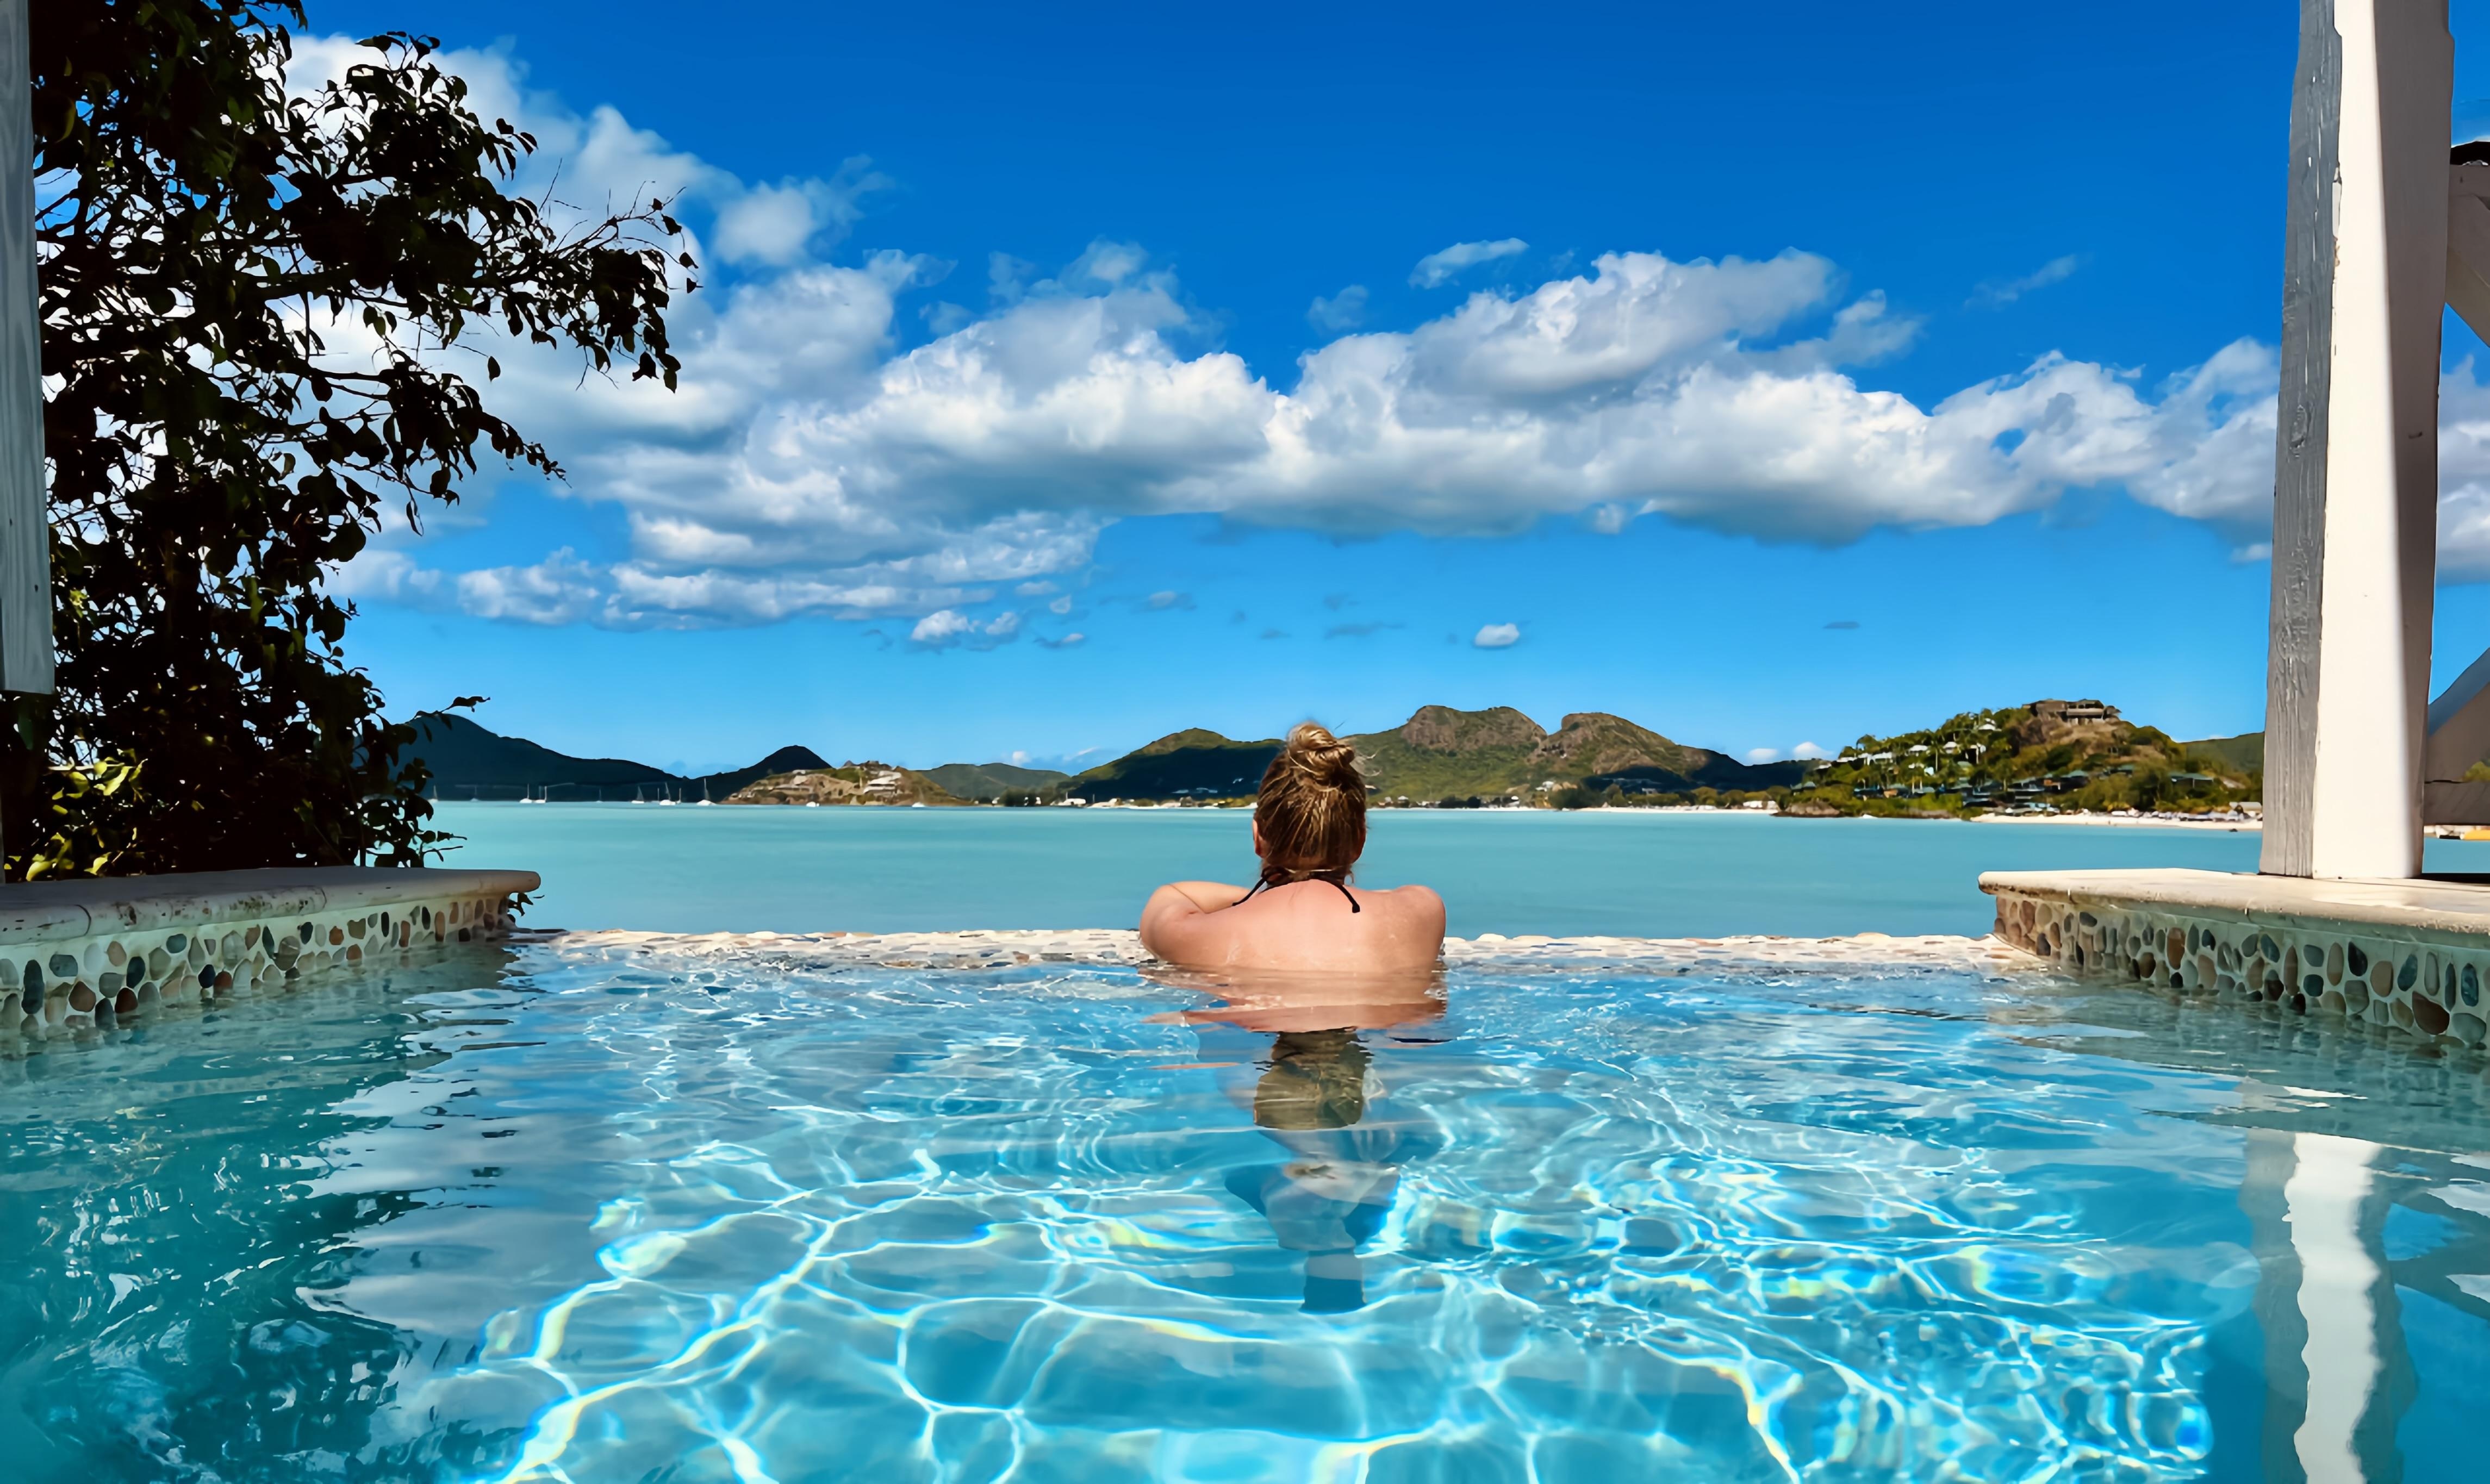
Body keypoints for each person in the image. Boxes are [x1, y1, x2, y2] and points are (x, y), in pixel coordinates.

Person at [1139, 722, 1445, 973]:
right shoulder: (1423, 909)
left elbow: (1171, 895)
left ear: (1258, 837)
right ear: (1360, 841)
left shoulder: (1193, 934)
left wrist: (1267, 896)